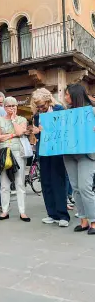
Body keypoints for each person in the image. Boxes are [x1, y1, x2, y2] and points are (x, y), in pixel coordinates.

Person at [31, 88, 69, 227]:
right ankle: (51, 214)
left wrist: (45, 130)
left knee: (58, 181)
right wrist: (36, 133)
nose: (40, 108)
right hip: (43, 151)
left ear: (48, 101)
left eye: (42, 105)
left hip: (57, 151)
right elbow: (38, 136)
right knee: (46, 182)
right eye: (38, 106)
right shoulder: (37, 115)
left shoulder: (59, 110)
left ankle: (63, 215)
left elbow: (64, 130)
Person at [63, 84, 95, 235]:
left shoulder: (92, 111)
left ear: (75, 95)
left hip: (87, 154)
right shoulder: (66, 113)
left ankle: (94, 221)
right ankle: (83, 220)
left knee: (85, 187)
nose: (65, 97)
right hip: (69, 154)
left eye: (68, 94)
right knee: (75, 187)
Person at [0, 96, 30, 222]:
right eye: (9, 106)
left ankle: (22, 211)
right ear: (4, 107)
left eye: (14, 105)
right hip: (4, 152)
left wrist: (14, 121)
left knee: (20, 182)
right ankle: (5, 211)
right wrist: (12, 135)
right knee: (4, 183)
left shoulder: (22, 119)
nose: (11, 108)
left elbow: (20, 132)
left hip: (18, 152)